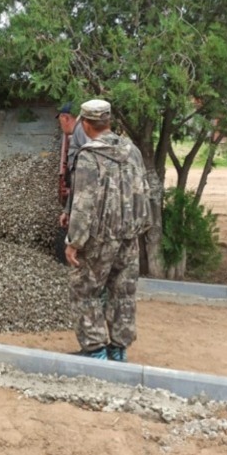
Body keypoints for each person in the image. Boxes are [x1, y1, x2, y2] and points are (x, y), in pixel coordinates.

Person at [64, 99, 151, 361]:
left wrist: (74, 242)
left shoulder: (89, 156)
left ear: (86, 124)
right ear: (108, 121)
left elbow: (84, 204)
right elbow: (145, 190)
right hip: (129, 236)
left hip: (99, 238)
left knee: (85, 290)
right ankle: (118, 350)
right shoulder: (132, 151)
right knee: (123, 292)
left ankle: (95, 350)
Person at [56, 102, 89, 229]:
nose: (61, 126)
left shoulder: (81, 133)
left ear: (65, 118)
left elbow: (84, 178)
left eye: (60, 122)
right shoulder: (80, 131)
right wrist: (68, 209)